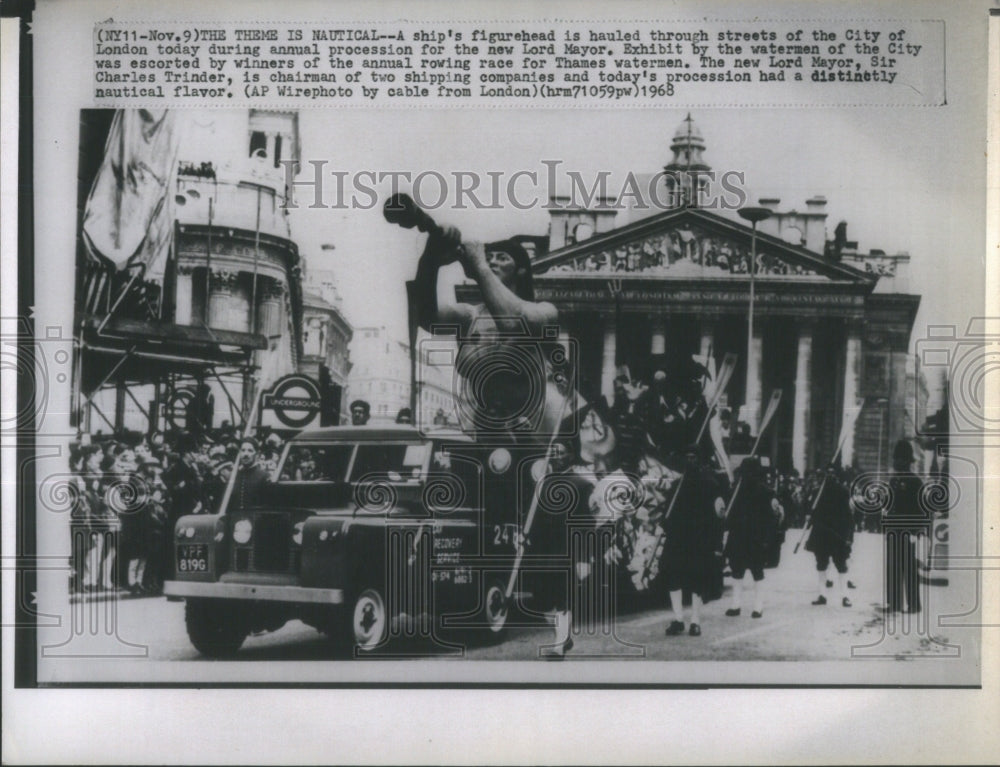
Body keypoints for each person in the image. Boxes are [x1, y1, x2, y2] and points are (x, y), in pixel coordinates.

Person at [662, 445, 726, 637]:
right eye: (687, 457)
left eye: (694, 457)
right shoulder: (676, 486)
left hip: (700, 540)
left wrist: (716, 544)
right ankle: (678, 619)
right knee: (673, 578)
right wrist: (665, 524)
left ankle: (695, 621)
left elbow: (718, 517)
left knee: (698, 581)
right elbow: (668, 514)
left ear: (700, 460)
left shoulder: (710, 485)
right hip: (677, 539)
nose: (690, 461)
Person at [723, 456, 784, 618]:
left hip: (755, 538)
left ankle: (758, 606)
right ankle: (736, 605)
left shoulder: (765, 492)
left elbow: (772, 518)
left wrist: (767, 539)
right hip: (739, 536)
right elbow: (730, 514)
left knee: (757, 572)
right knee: (737, 571)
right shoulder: (736, 490)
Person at [881, 439, 928, 614]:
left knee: (909, 568)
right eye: (896, 460)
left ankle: (914, 604)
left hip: (909, 531)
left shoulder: (916, 482)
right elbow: (890, 506)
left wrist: (917, 532)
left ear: (907, 462)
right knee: (893, 566)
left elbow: (922, 510)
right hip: (894, 531)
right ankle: (894, 603)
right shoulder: (893, 481)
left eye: (900, 460)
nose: (897, 463)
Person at [805, 465, 855, 607]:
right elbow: (811, 511)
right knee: (821, 564)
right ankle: (822, 594)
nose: (829, 477)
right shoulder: (816, 493)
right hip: (821, 533)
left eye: (832, 474)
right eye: (827, 474)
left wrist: (849, 535)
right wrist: (809, 516)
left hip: (837, 533)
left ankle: (845, 595)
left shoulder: (842, 491)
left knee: (841, 564)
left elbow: (848, 515)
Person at [228, 437, 271, 511]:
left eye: (250, 451)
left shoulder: (264, 476)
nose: (246, 454)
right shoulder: (234, 476)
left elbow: (267, 507)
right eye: (243, 450)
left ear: (257, 453)